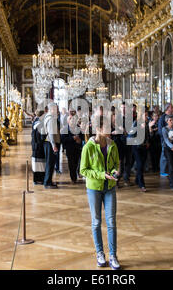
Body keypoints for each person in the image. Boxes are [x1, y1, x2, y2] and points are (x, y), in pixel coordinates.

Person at [80, 115, 121, 270]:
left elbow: (116, 163)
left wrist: (115, 171)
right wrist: (100, 174)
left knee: (111, 222)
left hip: (110, 186)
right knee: (96, 221)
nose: (110, 130)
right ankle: (100, 253)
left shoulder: (113, 145)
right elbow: (83, 170)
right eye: (107, 127)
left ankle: (113, 255)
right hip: (94, 188)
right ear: (98, 129)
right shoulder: (88, 147)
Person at [129, 110, 150, 192]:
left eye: (147, 115)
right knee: (140, 165)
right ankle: (142, 184)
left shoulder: (146, 124)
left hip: (144, 147)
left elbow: (147, 134)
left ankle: (137, 180)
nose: (147, 117)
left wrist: (148, 142)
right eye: (145, 115)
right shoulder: (135, 123)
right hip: (136, 147)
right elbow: (130, 137)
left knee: (142, 165)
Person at [112, 102, 131, 186]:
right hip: (119, 143)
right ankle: (116, 180)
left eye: (125, 108)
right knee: (119, 162)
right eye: (122, 108)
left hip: (128, 142)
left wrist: (123, 131)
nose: (123, 109)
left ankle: (126, 179)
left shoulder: (129, 118)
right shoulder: (117, 118)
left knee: (128, 162)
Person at [42, 103, 61, 189]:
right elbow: (51, 133)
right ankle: (47, 182)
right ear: (52, 109)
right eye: (56, 108)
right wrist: (54, 145)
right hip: (50, 143)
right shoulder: (51, 119)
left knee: (50, 163)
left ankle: (48, 180)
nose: (57, 110)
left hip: (48, 143)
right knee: (50, 163)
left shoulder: (47, 117)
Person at [63, 109, 84, 183]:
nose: (73, 122)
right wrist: (73, 138)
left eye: (74, 121)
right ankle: (73, 177)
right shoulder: (65, 129)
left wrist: (80, 140)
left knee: (76, 163)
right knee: (71, 164)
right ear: (69, 121)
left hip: (77, 148)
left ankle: (75, 174)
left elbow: (82, 137)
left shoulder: (78, 128)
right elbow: (64, 140)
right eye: (71, 121)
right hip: (69, 149)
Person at [158, 103, 173, 176]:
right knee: (164, 155)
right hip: (165, 139)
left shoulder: (171, 116)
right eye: (171, 107)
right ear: (167, 108)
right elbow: (160, 130)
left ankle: (169, 170)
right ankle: (162, 171)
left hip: (171, 139)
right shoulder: (162, 118)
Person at [31, 110, 46, 185]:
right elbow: (41, 137)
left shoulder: (35, 122)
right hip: (39, 147)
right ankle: (39, 179)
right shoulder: (40, 124)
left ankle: (36, 179)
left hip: (35, 146)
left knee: (36, 164)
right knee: (40, 164)